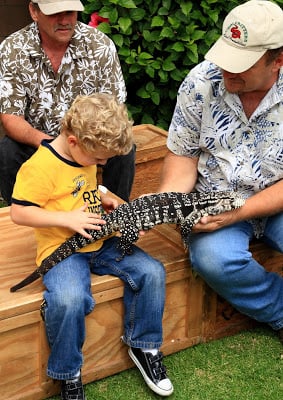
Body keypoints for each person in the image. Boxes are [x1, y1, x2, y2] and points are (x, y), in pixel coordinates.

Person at [10, 93, 174, 400]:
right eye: (100, 159)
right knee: (69, 300)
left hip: (100, 240)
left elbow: (85, 188)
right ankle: (68, 373)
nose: (103, 163)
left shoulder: (81, 154)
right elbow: (20, 212)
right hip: (63, 249)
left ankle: (144, 345)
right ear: (73, 141)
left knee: (151, 271)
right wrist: (68, 219)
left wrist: (106, 197)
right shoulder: (41, 166)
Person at [158, 0, 283, 344]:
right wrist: (169, 205)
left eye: (241, 64)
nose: (227, 70)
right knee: (213, 259)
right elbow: (181, 160)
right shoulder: (200, 82)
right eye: (225, 55)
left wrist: (237, 213)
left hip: (276, 200)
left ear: (278, 60)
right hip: (211, 201)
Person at [0, 0, 135, 204]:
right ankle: (20, 216)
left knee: (124, 149)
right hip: (38, 141)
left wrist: (86, 144)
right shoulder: (12, 49)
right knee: (8, 151)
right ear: (34, 11)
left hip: (91, 139)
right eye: (55, 13)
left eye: (70, 12)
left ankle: (117, 221)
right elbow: (11, 118)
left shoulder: (100, 45)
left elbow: (114, 112)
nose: (64, 20)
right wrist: (53, 146)